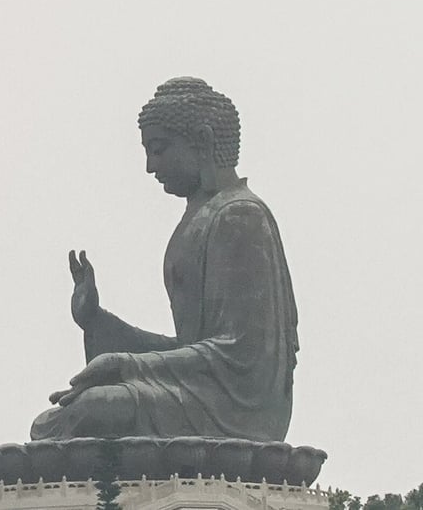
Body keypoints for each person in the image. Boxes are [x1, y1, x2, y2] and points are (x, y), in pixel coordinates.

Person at [30, 77, 299, 442]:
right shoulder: (200, 217)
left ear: (202, 141)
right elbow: (191, 351)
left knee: (93, 411)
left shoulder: (240, 216)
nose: (149, 166)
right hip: (199, 393)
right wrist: (99, 323)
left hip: (238, 410)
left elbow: (242, 356)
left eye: (159, 149)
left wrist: (127, 365)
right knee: (53, 422)